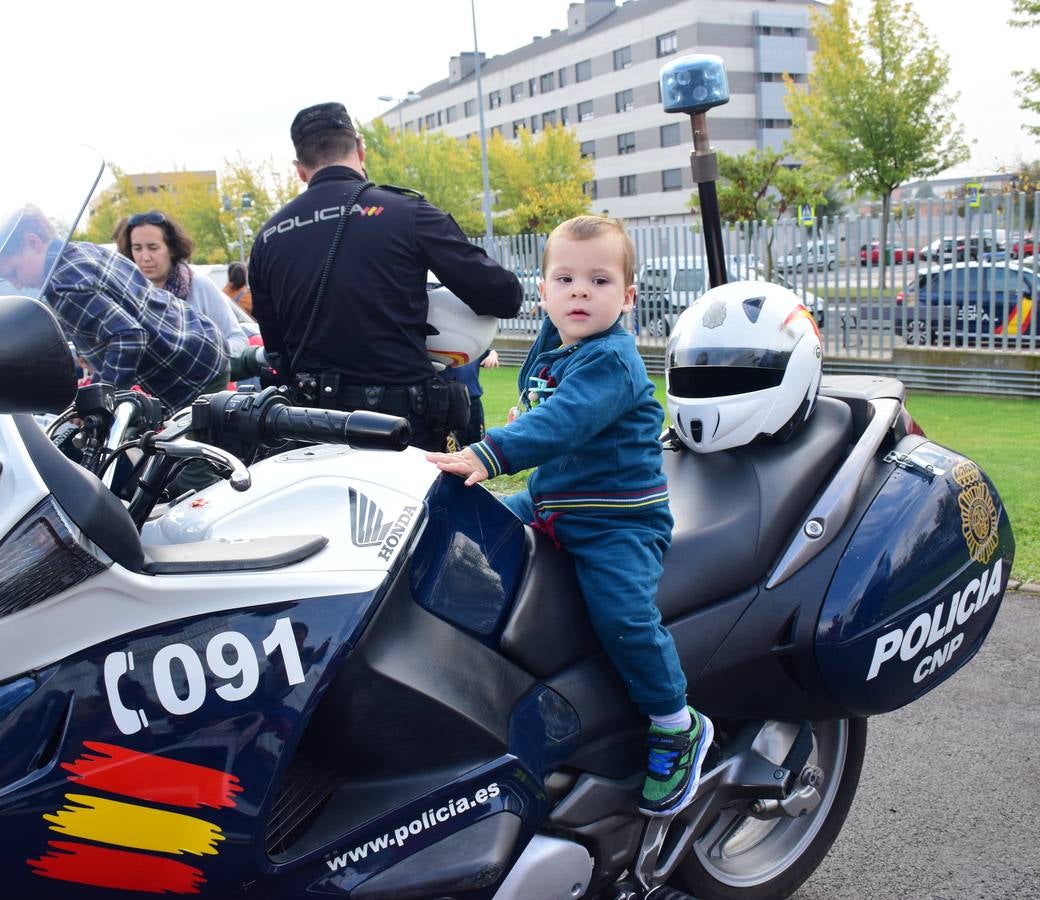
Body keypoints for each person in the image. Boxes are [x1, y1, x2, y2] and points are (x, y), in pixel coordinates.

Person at [426, 215, 711, 817]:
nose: (581, 291)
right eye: (567, 279)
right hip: (555, 500)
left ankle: (673, 722)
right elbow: (536, 406)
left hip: (616, 519)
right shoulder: (556, 345)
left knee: (623, 614)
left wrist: (489, 452)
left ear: (628, 298)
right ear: (544, 292)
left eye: (600, 280)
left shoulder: (611, 359)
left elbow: (563, 421)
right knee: (473, 528)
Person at [248, 101, 522, 450]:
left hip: (314, 432)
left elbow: (276, 350)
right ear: (360, 149)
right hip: (401, 432)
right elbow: (504, 296)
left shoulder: (269, 236)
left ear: (300, 169)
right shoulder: (406, 212)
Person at [0, 207, 227, 414]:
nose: (18, 284)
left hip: (188, 377)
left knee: (192, 465)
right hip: (199, 348)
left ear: (33, 243)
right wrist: (95, 387)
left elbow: (128, 336)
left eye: (13, 272)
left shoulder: (62, 285)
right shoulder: (81, 252)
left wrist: (102, 405)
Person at [114, 210, 249, 357]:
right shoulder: (125, 294)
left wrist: (207, 359)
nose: (145, 257)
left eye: (153, 248)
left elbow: (238, 339)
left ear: (171, 249)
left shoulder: (200, 286)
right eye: (137, 248)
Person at [440, 348, 498, 449]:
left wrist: (493, 355)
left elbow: (489, 351)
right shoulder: (445, 345)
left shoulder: (472, 347)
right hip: (452, 404)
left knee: (478, 446)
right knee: (453, 448)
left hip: (474, 403)